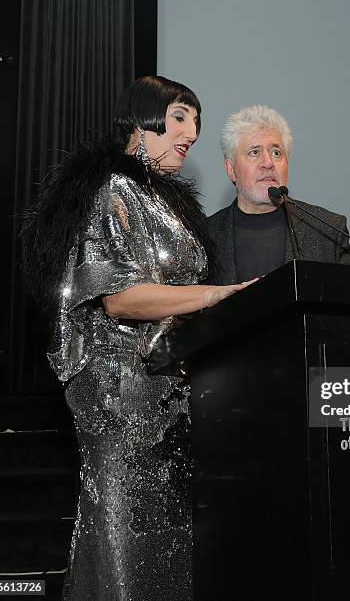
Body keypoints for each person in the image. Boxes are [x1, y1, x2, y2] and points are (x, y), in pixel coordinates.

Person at [22, 76, 253, 600]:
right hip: (123, 399)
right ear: (140, 121)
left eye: (194, 120)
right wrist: (214, 295)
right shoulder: (114, 188)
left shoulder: (162, 200)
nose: (191, 131)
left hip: (170, 395)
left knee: (162, 546)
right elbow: (120, 298)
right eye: (179, 117)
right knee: (125, 535)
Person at [207, 105, 350, 284]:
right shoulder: (205, 234)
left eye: (276, 152)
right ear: (231, 169)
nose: (268, 162)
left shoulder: (327, 229)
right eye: (254, 152)